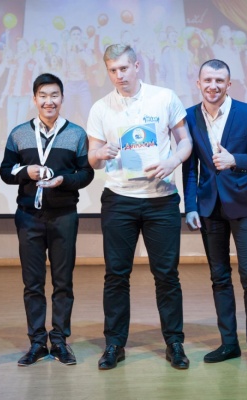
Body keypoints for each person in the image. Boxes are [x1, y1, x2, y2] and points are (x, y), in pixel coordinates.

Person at [87, 44, 192, 370]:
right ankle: (114, 344)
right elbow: (92, 158)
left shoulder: (164, 97)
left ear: (137, 66)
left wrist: (172, 161)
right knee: (116, 275)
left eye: (123, 68)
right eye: (112, 70)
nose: (119, 75)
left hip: (161, 199)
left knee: (167, 275)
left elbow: (185, 140)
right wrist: (99, 155)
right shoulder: (100, 108)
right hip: (119, 199)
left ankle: (174, 343)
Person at [182, 59, 247, 372]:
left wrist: (235, 159)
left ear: (229, 84)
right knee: (219, 277)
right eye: (208, 80)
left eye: (219, 81)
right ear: (198, 83)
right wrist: (191, 205)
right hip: (209, 209)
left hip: (243, 205)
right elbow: (190, 167)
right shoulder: (189, 116)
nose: (213, 86)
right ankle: (228, 343)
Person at [0, 73, 94, 366]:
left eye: (54, 95)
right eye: (43, 95)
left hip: (64, 215)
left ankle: (60, 341)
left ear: (62, 99)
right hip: (28, 216)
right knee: (33, 283)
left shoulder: (76, 133)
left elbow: (86, 173)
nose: (48, 101)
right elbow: (5, 171)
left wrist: (64, 180)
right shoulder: (19, 133)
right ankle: (37, 342)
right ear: (34, 99)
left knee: (63, 282)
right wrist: (25, 172)